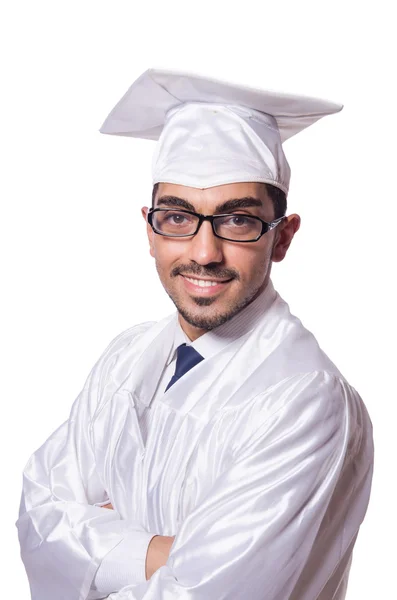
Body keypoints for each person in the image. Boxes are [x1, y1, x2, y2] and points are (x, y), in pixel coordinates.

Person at [16, 68, 374, 600]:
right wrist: (161, 552)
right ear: (150, 228)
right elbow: (37, 517)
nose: (204, 252)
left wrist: (98, 541)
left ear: (282, 237)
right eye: (179, 217)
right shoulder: (126, 357)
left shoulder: (302, 399)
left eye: (237, 221)